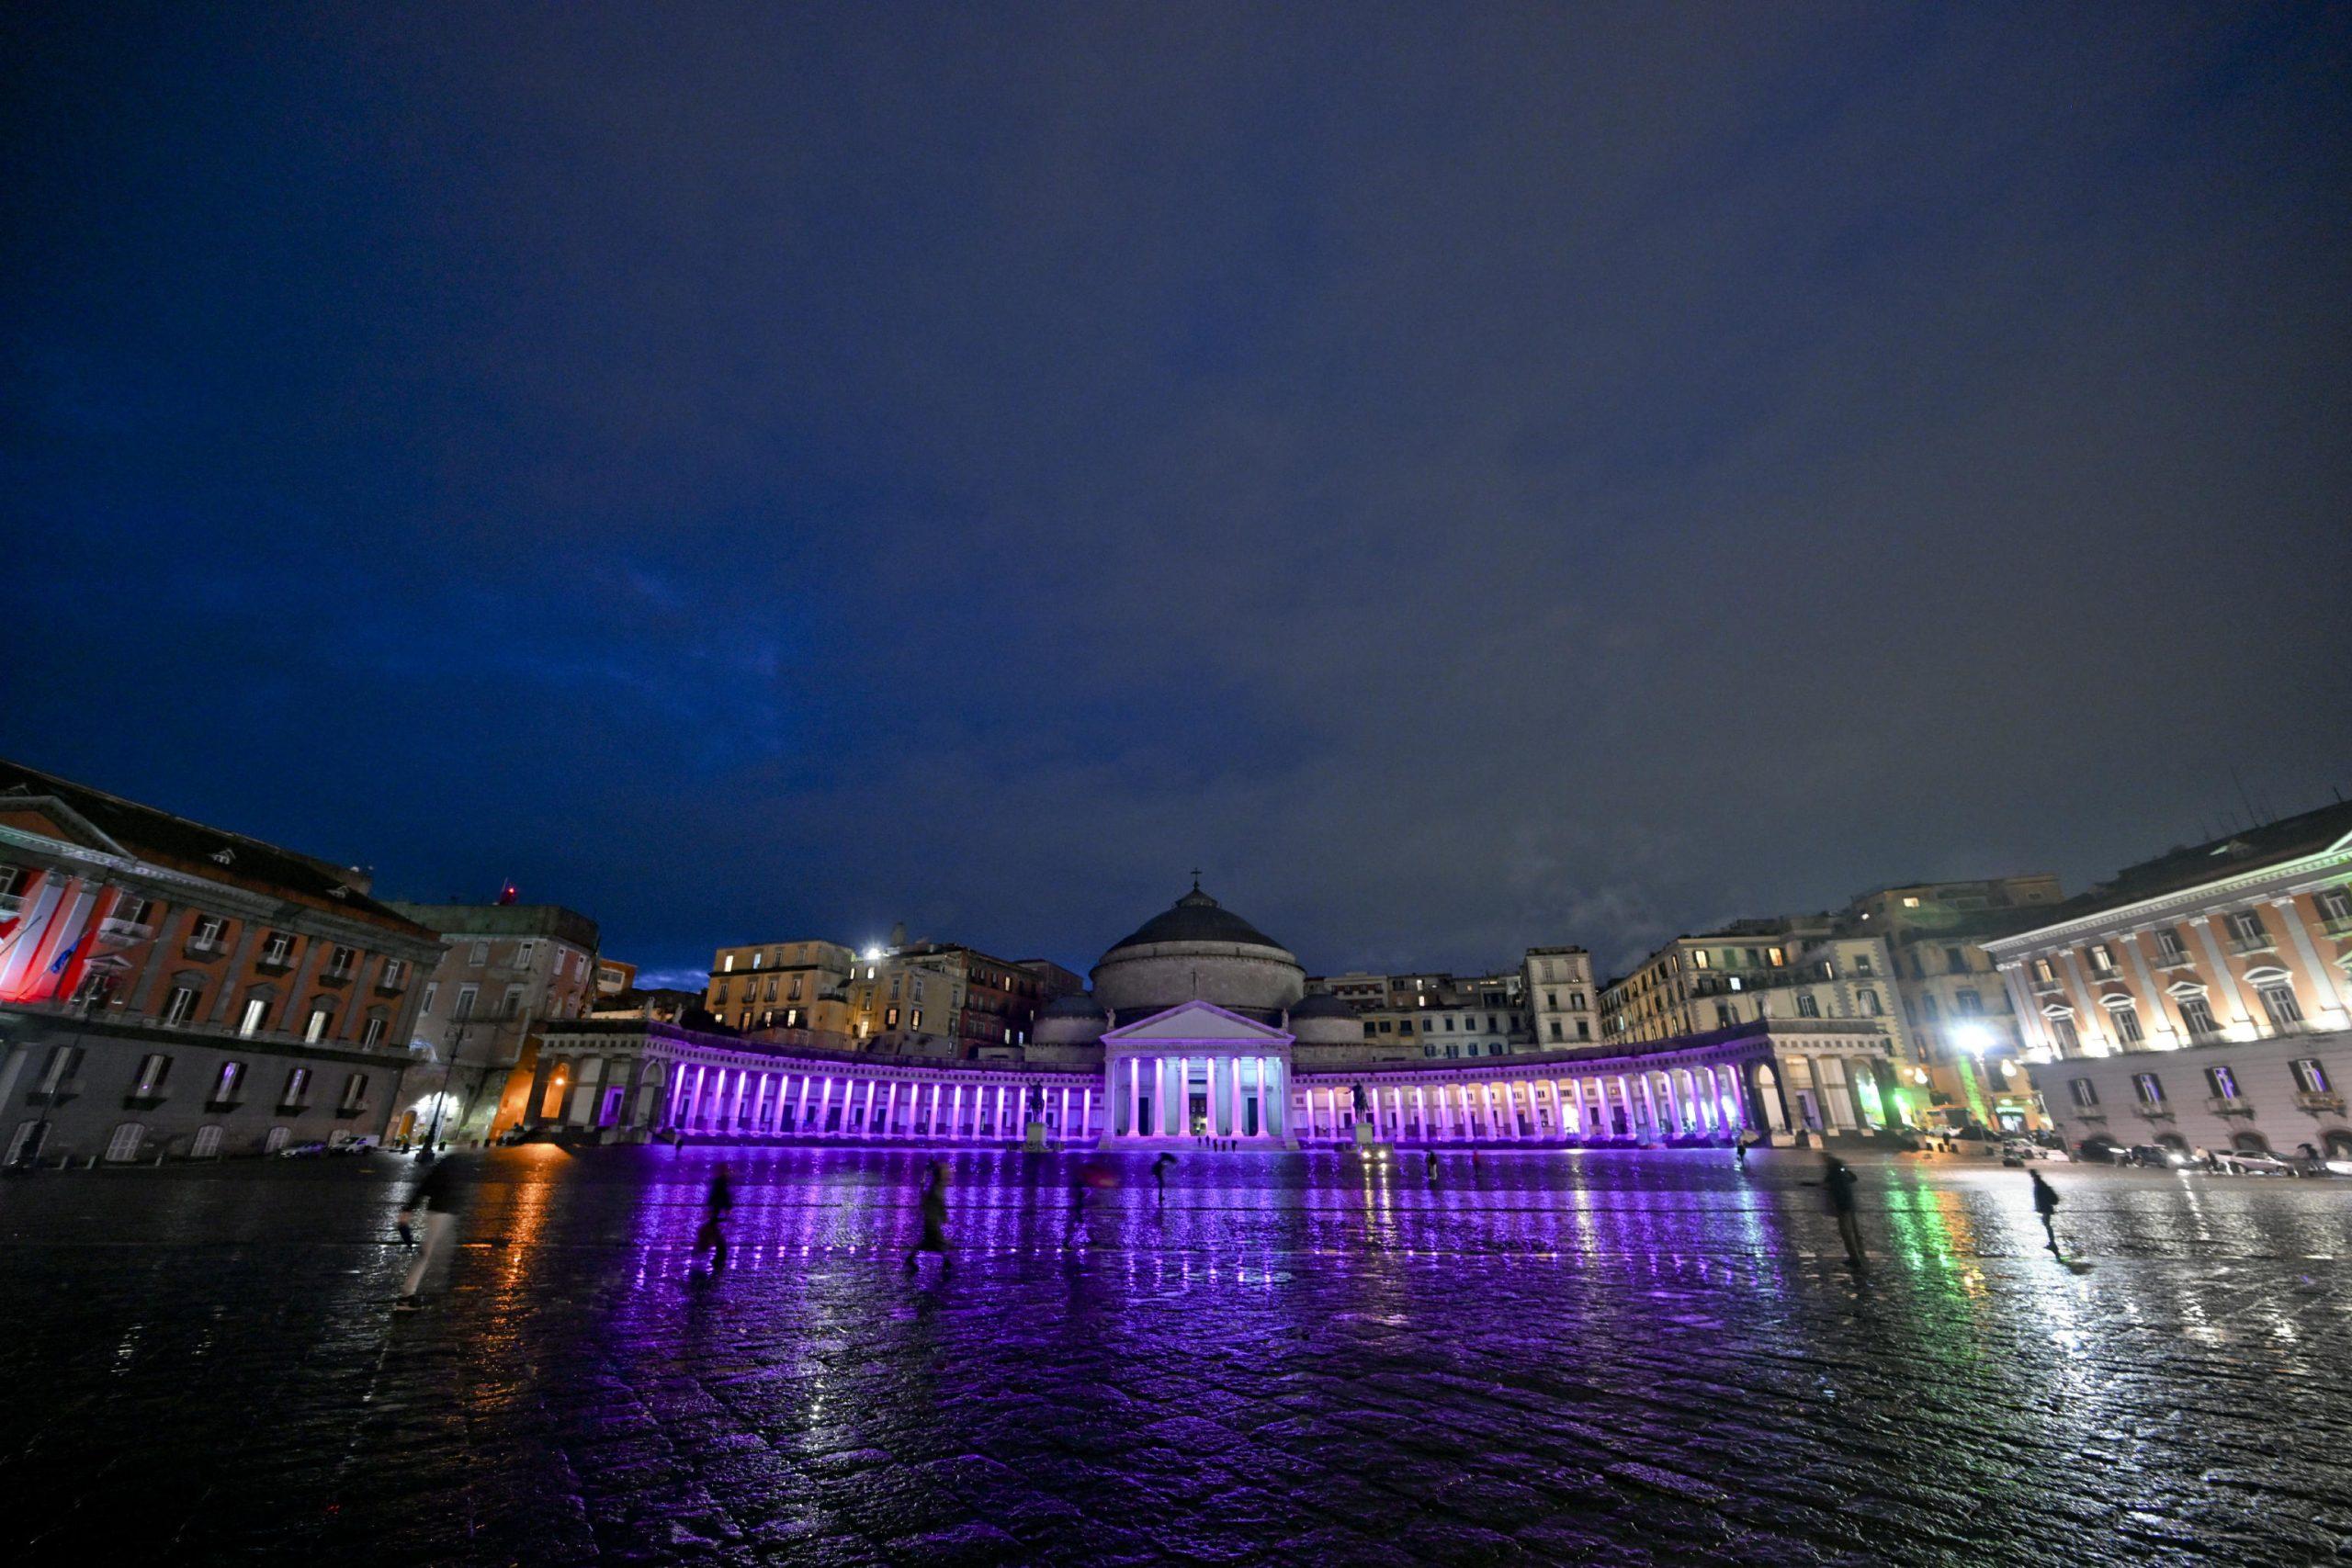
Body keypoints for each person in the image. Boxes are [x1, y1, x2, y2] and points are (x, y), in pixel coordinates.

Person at [394, 1158, 458, 1310]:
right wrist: (409, 1208)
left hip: (441, 1213)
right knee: (426, 1255)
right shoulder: (453, 1164)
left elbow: (425, 1185)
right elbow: (427, 1185)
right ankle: (407, 1297)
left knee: (430, 1254)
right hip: (441, 1213)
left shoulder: (450, 1163)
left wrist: (409, 1208)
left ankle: (412, 1295)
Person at [905, 1161, 951, 1274]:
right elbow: (940, 1202)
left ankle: (910, 1259)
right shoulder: (938, 1187)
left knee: (929, 1242)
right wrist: (944, 1215)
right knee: (937, 1241)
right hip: (932, 1219)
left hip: (931, 1218)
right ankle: (946, 1262)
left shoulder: (937, 1186)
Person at [1820, 1153, 1863, 1267]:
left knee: (1846, 1233)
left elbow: (1831, 1185)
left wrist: (1831, 1186)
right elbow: (1853, 1178)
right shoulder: (1840, 1169)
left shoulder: (1834, 1172)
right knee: (1852, 1231)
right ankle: (1858, 1254)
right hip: (1849, 1203)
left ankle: (1855, 1259)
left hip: (1842, 1205)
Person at [694, 1163, 734, 1272]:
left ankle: (712, 1253)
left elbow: (716, 1195)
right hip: (717, 1210)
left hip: (716, 1210)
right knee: (716, 1234)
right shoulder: (722, 1181)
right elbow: (723, 1194)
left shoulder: (720, 1180)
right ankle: (716, 1256)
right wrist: (727, 1207)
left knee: (714, 1232)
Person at [2029, 1169, 2061, 1256]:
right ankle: (2052, 1243)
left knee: (2047, 1224)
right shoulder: (2040, 1183)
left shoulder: (2039, 1184)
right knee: (2046, 1224)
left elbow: (2040, 1197)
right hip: (2045, 1208)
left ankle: (2053, 1243)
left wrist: (2039, 1207)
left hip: (2046, 1208)